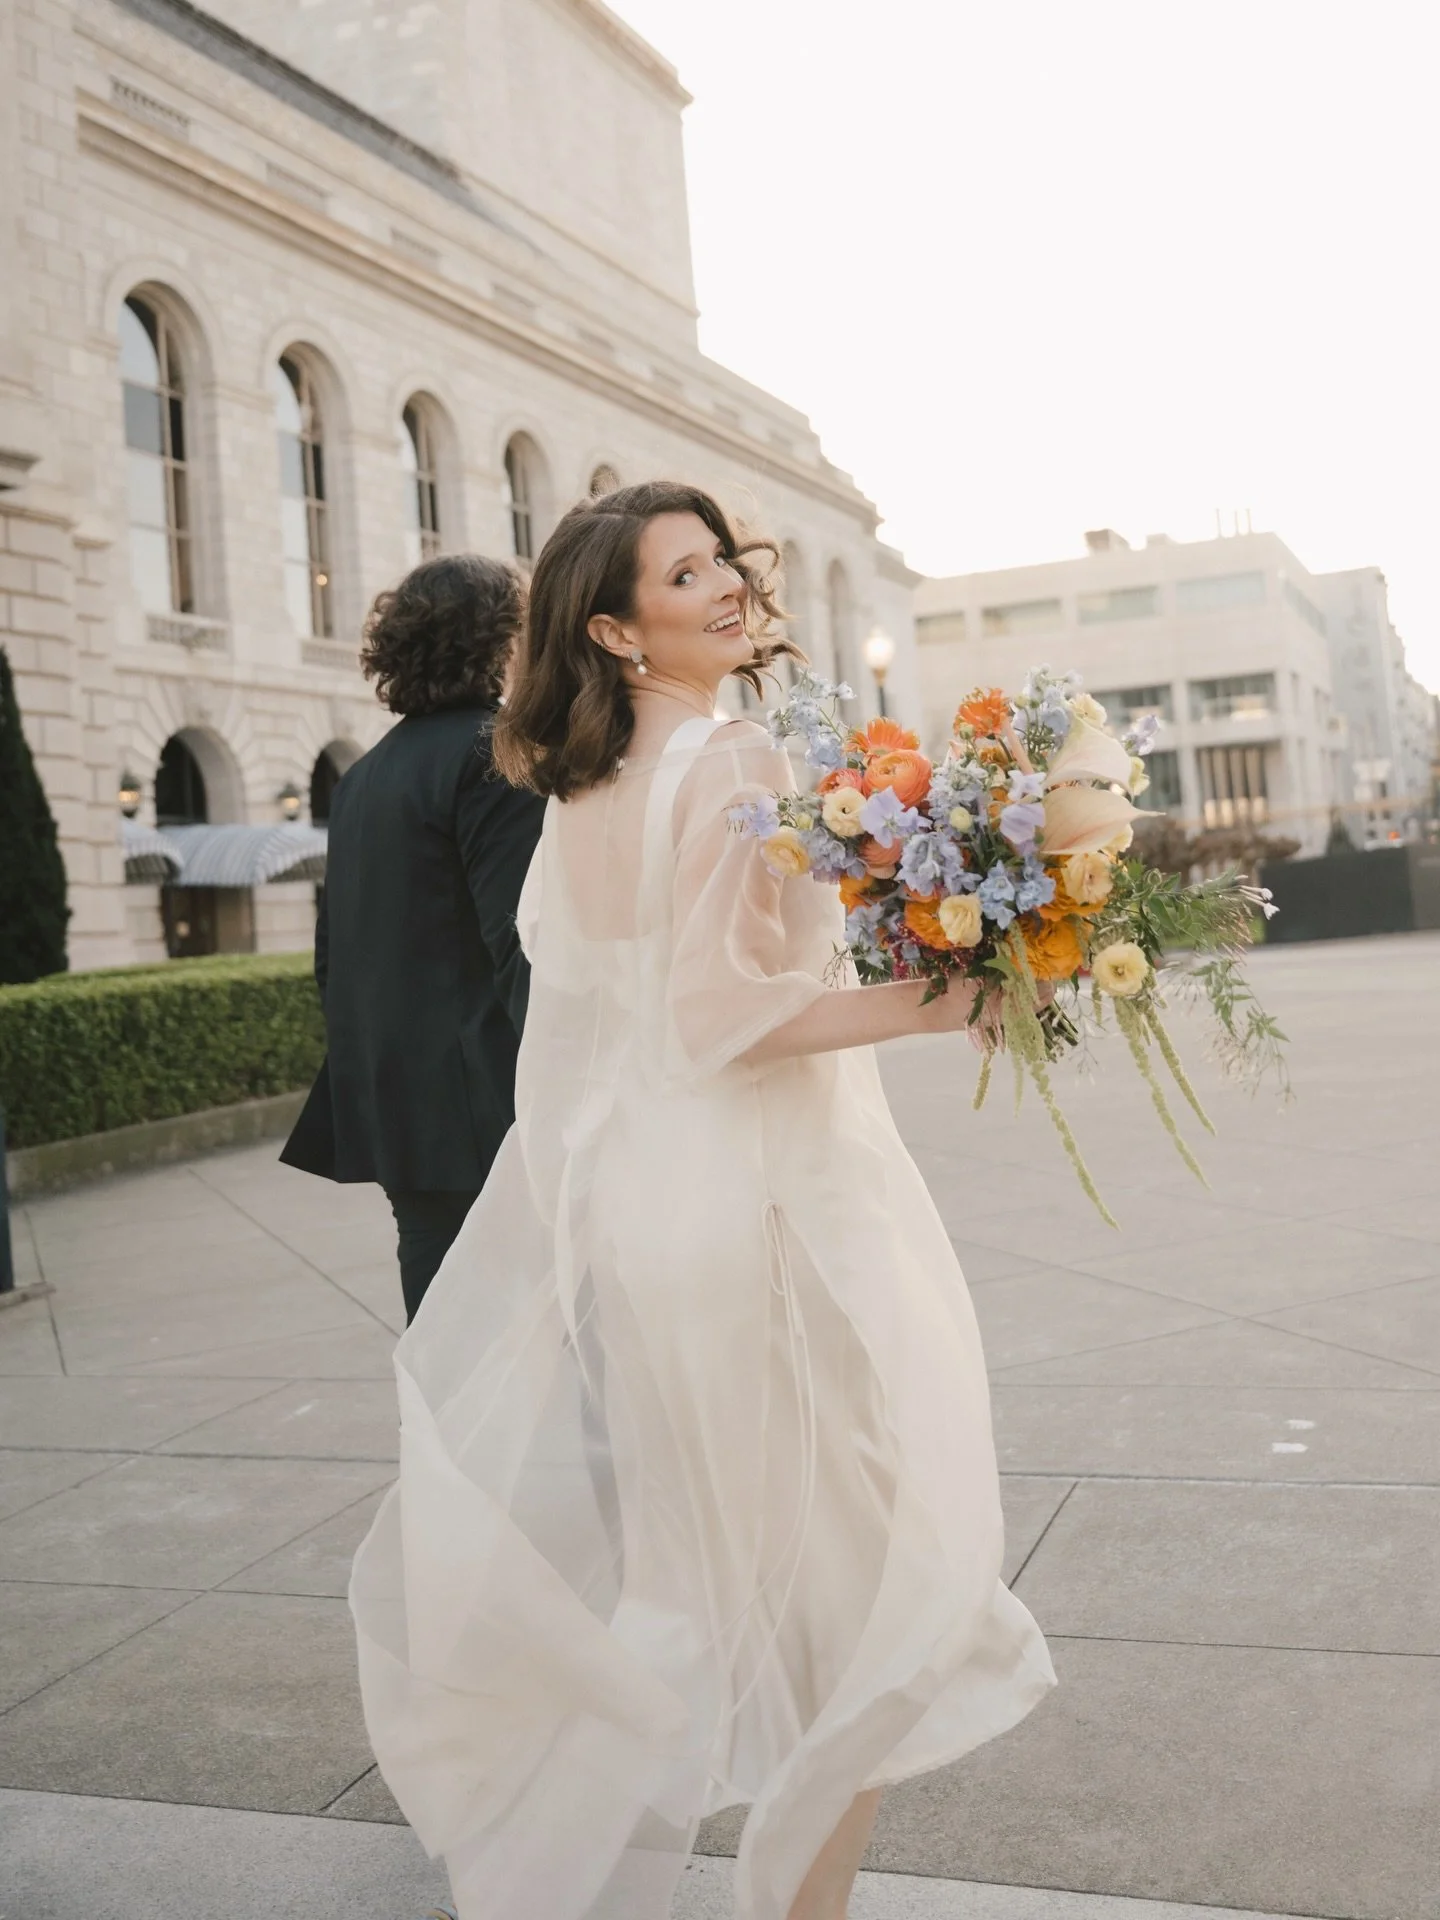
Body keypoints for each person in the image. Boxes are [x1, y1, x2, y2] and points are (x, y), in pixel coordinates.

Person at [349, 483, 1055, 1920]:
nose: (727, 583)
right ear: (616, 628)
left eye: (722, 556)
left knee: (706, 1583)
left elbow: (605, 1011)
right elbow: (727, 1013)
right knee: (858, 1593)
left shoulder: (588, 781)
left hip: (640, 1213)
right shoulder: (729, 754)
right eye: (686, 572)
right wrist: (943, 1000)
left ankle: (577, 1843)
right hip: (745, 1208)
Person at [281, 553, 545, 1323]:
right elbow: (521, 941)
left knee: (440, 1326)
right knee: (538, 1337)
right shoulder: (495, 753)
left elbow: (333, 955)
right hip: (489, 1097)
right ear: (499, 641)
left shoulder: (363, 775)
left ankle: (439, 1443)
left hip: (394, 1095)